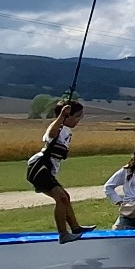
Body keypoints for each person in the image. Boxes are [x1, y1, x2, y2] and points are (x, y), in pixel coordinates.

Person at [26, 99, 93, 241]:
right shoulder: (58, 128)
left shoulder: (67, 131)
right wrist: (61, 116)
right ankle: (63, 234)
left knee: (65, 197)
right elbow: (51, 134)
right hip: (40, 168)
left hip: (47, 170)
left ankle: (75, 227)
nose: (78, 120)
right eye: (76, 117)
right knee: (61, 198)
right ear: (67, 116)